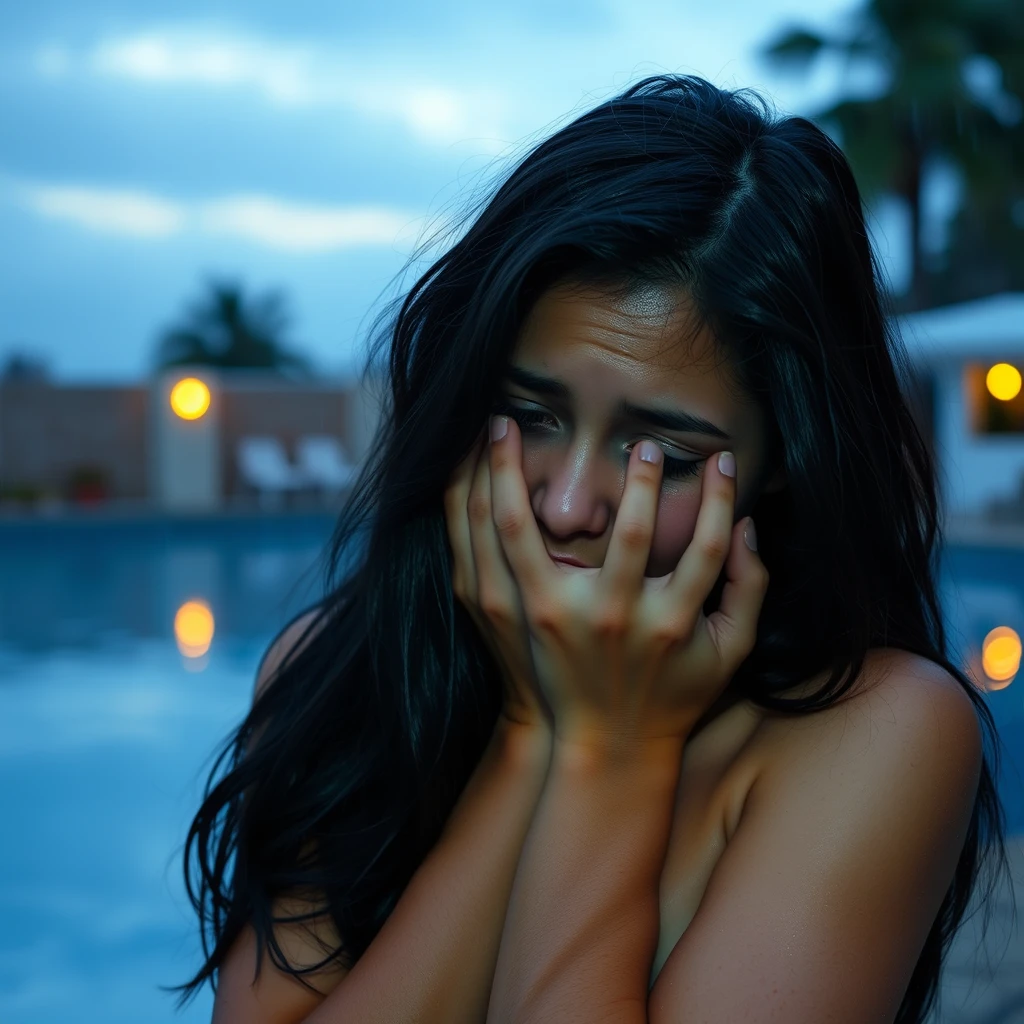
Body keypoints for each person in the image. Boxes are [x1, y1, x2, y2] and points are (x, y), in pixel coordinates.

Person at [176, 75, 1011, 1023]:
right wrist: (534, 736)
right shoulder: (335, 673)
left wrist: (612, 748)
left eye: (661, 453)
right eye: (530, 414)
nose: (568, 504)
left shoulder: (871, 735)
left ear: (783, 458)